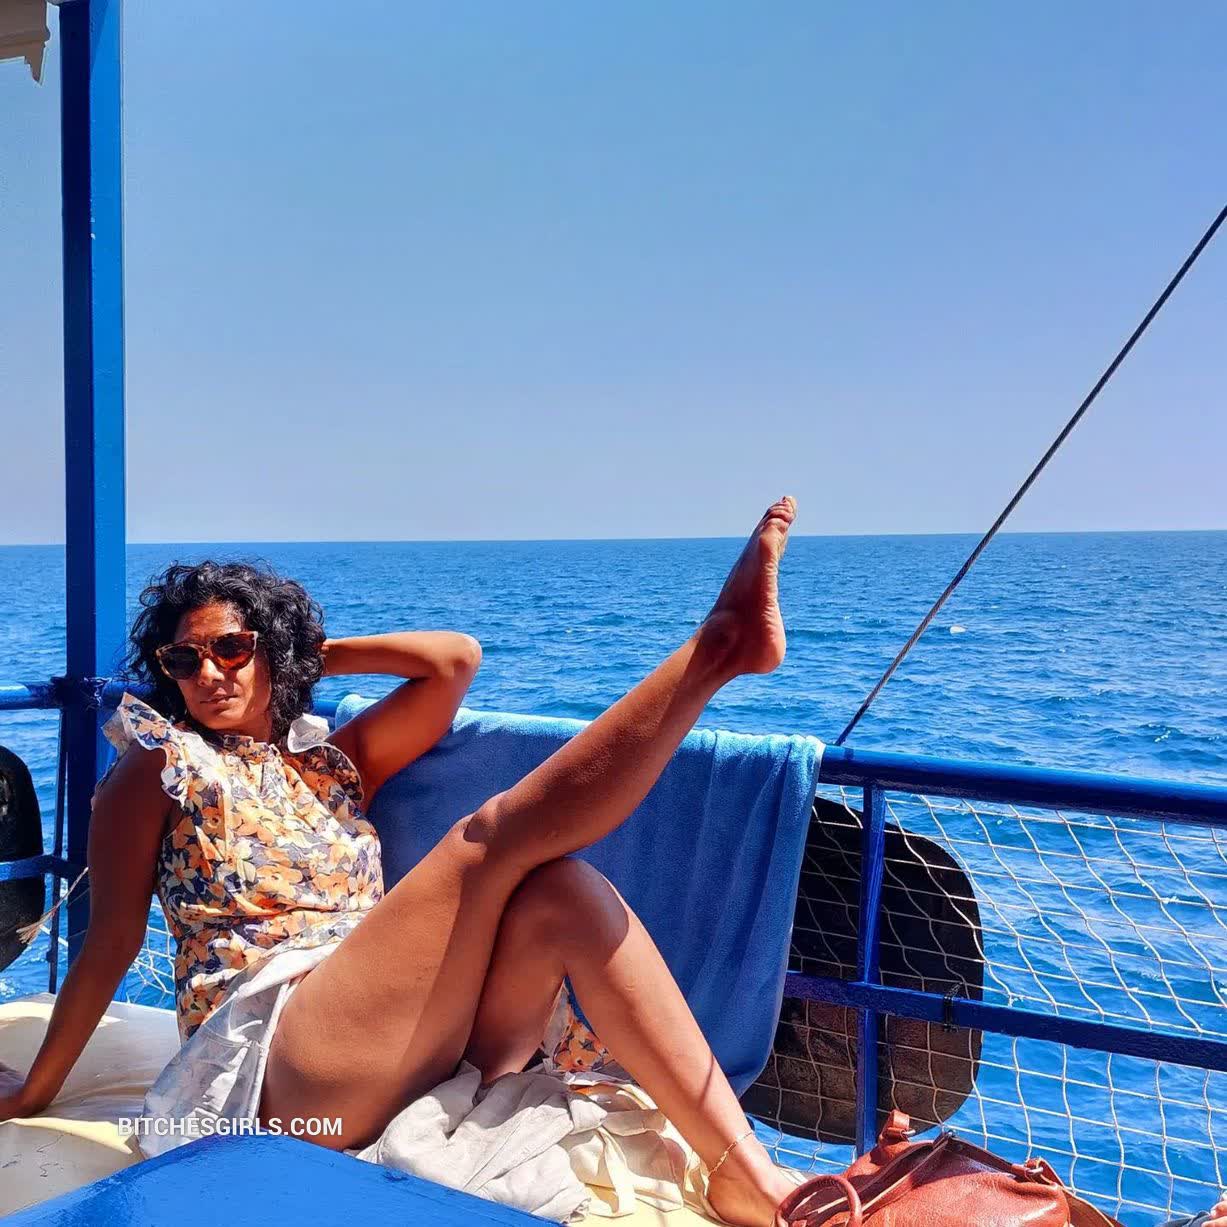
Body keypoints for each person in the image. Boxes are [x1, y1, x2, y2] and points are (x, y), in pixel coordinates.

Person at [0, 497, 805, 1227]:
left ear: (271, 651)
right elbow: (111, 942)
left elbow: (453, 659)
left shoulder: (333, 762)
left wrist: (303, 655)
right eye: (184, 660)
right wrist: (36, 1091)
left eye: (232, 648)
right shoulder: (160, 766)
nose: (208, 674)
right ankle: (713, 652)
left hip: (399, 1035)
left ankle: (746, 1173)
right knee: (487, 839)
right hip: (276, 1061)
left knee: (563, 892)